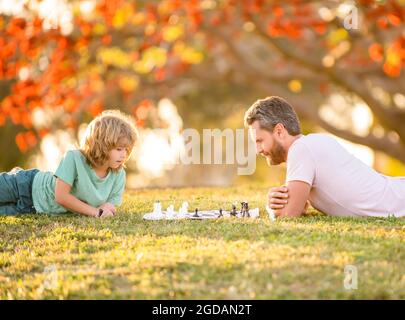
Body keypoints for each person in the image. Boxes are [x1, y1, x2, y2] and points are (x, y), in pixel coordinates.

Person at [244, 96, 405, 218]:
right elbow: (298, 206)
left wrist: (272, 208)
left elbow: (289, 214)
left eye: (260, 141)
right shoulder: (311, 144)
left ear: (279, 131)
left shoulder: (301, 149)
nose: (258, 150)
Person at [0, 109, 138, 218]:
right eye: (119, 149)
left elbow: (110, 204)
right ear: (102, 145)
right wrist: (96, 212)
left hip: (32, 209)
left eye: (127, 149)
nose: (124, 154)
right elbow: (61, 197)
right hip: (24, 185)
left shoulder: (118, 175)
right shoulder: (74, 158)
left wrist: (106, 209)